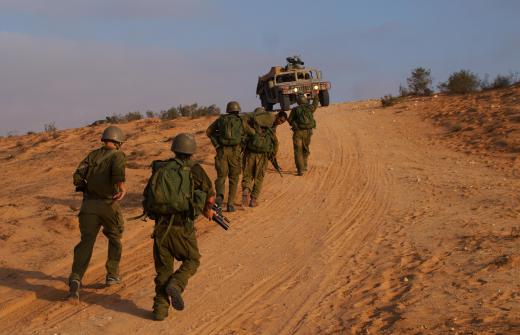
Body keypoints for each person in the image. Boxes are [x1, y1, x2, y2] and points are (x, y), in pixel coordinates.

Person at [144, 133, 216, 321]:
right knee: (192, 260)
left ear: (174, 148)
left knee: (163, 271)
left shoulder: (160, 168)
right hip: (182, 227)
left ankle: (160, 310)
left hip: (160, 228)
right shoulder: (195, 169)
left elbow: (148, 197)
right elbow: (210, 196)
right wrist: (207, 210)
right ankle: (176, 284)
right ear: (192, 151)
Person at [68, 126, 127, 300]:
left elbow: (77, 177)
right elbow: (118, 173)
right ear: (119, 142)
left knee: (86, 242)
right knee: (115, 238)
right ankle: (112, 275)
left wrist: (87, 187)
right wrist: (122, 187)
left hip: (88, 206)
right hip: (109, 204)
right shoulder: (118, 155)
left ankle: (76, 278)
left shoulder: (92, 155)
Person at [206, 101, 252, 212]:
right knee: (234, 178)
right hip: (235, 153)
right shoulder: (241, 121)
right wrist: (243, 142)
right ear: (237, 110)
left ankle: (220, 197)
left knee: (221, 177)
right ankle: (230, 204)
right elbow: (251, 133)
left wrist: (217, 145)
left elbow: (209, 132)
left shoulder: (221, 120)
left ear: (228, 109)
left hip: (221, 151)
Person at [241, 109, 287, 207]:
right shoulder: (270, 121)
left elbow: (245, 139)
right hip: (262, 156)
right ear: (277, 115)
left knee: (248, 174)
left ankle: (246, 189)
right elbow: (275, 144)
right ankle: (253, 200)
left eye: (282, 122)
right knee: (259, 177)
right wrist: (273, 156)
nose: (280, 123)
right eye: (280, 120)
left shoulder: (254, 127)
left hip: (250, 152)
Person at [288, 93, 319, 176]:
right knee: (305, 148)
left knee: (298, 151)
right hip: (308, 132)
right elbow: (315, 104)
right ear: (305, 100)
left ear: (298, 101)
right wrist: (316, 95)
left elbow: (290, 120)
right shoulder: (310, 108)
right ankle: (304, 165)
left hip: (298, 132)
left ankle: (300, 170)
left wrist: (294, 124)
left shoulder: (295, 109)